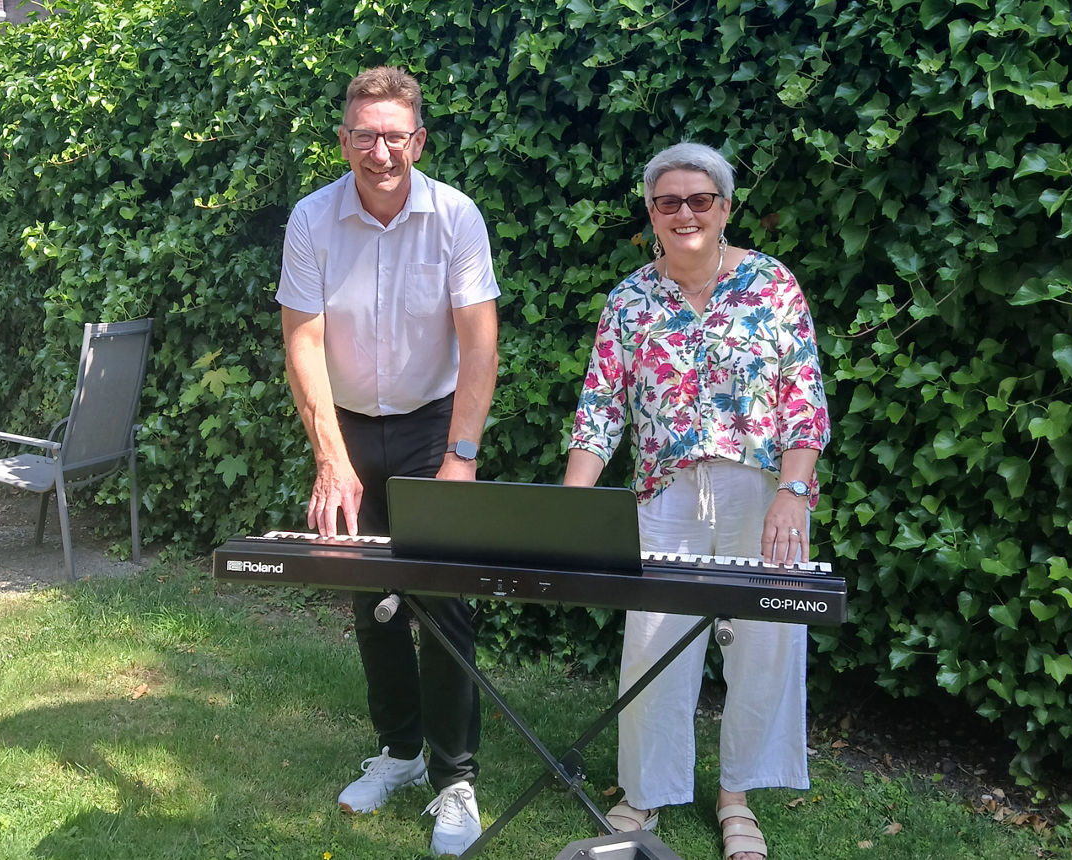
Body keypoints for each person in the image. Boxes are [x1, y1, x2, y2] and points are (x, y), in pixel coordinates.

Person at [563, 141, 830, 860]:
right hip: (666, 494)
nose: (685, 213)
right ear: (651, 213)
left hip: (760, 492)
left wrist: (795, 494)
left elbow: (803, 404)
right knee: (652, 643)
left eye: (699, 199)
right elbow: (599, 413)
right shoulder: (629, 300)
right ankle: (644, 791)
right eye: (668, 201)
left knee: (765, 644)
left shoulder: (773, 285)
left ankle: (738, 795)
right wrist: (572, 509)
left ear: (725, 207)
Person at [276, 66, 500, 857]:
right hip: (350, 431)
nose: (379, 151)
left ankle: (455, 778)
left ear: (419, 141)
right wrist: (330, 459)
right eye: (364, 135)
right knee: (369, 598)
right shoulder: (311, 219)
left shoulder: (456, 216)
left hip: (432, 425)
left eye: (393, 136)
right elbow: (302, 338)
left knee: (443, 604)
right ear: (343, 140)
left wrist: (461, 458)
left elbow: (479, 342)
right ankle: (401, 752)